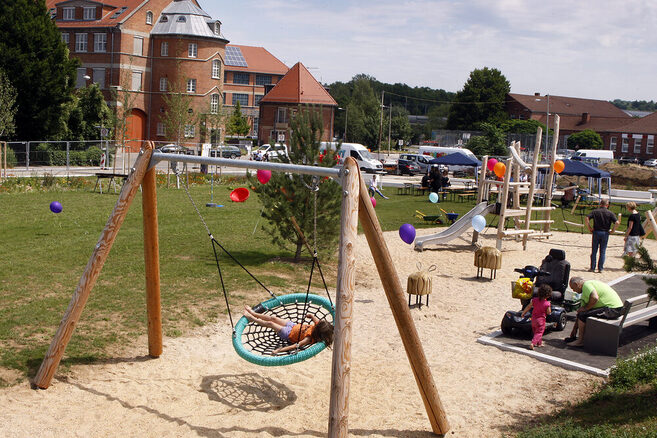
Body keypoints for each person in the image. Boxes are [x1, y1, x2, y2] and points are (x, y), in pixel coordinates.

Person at [243, 306, 334, 354]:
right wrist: (311, 315)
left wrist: (279, 350)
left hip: (288, 334)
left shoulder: (309, 338)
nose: (318, 322)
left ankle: (252, 319)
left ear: (318, 331)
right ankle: (253, 313)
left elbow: (295, 346)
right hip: (293, 325)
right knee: (273, 318)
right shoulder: (318, 325)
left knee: (271, 324)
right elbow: (316, 320)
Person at [564, 277, 624, 347]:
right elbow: (580, 313)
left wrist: (586, 308)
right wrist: (574, 330)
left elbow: (595, 298)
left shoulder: (586, 285)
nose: (574, 291)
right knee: (582, 315)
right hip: (616, 309)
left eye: (573, 288)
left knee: (583, 315)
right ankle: (578, 338)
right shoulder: (590, 285)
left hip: (612, 310)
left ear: (577, 284)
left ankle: (580, 341)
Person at [585, 199, 620, 272]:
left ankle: (592, 267)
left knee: (594, 251)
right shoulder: (610, 213)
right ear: (607, 205)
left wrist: (589, 228)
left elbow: (586, 218)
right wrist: (613, 230)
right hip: (605, 233)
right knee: (603, 251)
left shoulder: (595, 211)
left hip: (596, 232)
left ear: (600, 204)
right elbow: (617, 222)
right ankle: (600, 268)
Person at [521, 284, 553, 350]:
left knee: (536, 331)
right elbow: (548, 312)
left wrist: (523, 313)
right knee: (539, 332)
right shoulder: (547, 303)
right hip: (541, 320)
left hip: (533, 319)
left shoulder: (534, 300)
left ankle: (539, 343)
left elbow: (528, 307)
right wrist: (549, 307)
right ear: (548, 295)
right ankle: (533, 343)